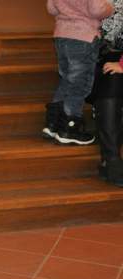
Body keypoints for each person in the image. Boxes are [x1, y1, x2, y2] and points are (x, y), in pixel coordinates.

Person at [43, 0, 114, 145]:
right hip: (83, 37)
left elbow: (51, 8)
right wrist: (110, 8)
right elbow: (97, 9)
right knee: (79, 85)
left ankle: (53, 123)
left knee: (66, 79)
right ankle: (70, 128)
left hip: (61, 35)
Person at [92, 1, 123, 186]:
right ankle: (111, 159)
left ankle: (110, 160)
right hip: (96, 56)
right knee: (111, 74)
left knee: (114, 74)